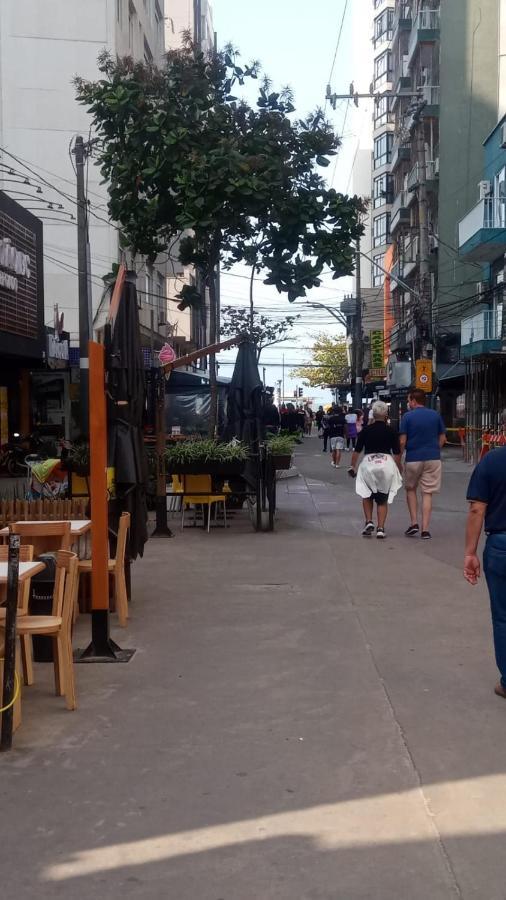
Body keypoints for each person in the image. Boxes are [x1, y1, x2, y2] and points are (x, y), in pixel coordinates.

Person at [464, 410, 506, 699]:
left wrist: (470, 552)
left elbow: (477, 509)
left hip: (501, 546)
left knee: (503, 616)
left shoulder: (491, 461)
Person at [348, 400, 402, 539]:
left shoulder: (366, 430)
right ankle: (381, 528)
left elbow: (357, 450)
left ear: (373, 413)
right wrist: (398, 468)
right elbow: (397, 453)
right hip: (386, 463)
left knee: (366, 494)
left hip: (368, 463)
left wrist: (353, 466)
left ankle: (368, 521)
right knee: (382, 498)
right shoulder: (391, 431)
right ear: (386, 415)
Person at [399, 388, 446, 540]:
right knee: (427, 493)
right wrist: (434, 450)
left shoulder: (407, 417)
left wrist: (399, 457)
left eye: (408, 400)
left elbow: (402, 441)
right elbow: (442, 438)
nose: (408, 403)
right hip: (433, 458)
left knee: (411, 489)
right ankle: (425, 530)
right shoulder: (435, 415)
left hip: (413, 457)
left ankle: (414, 523)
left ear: (413, 401)